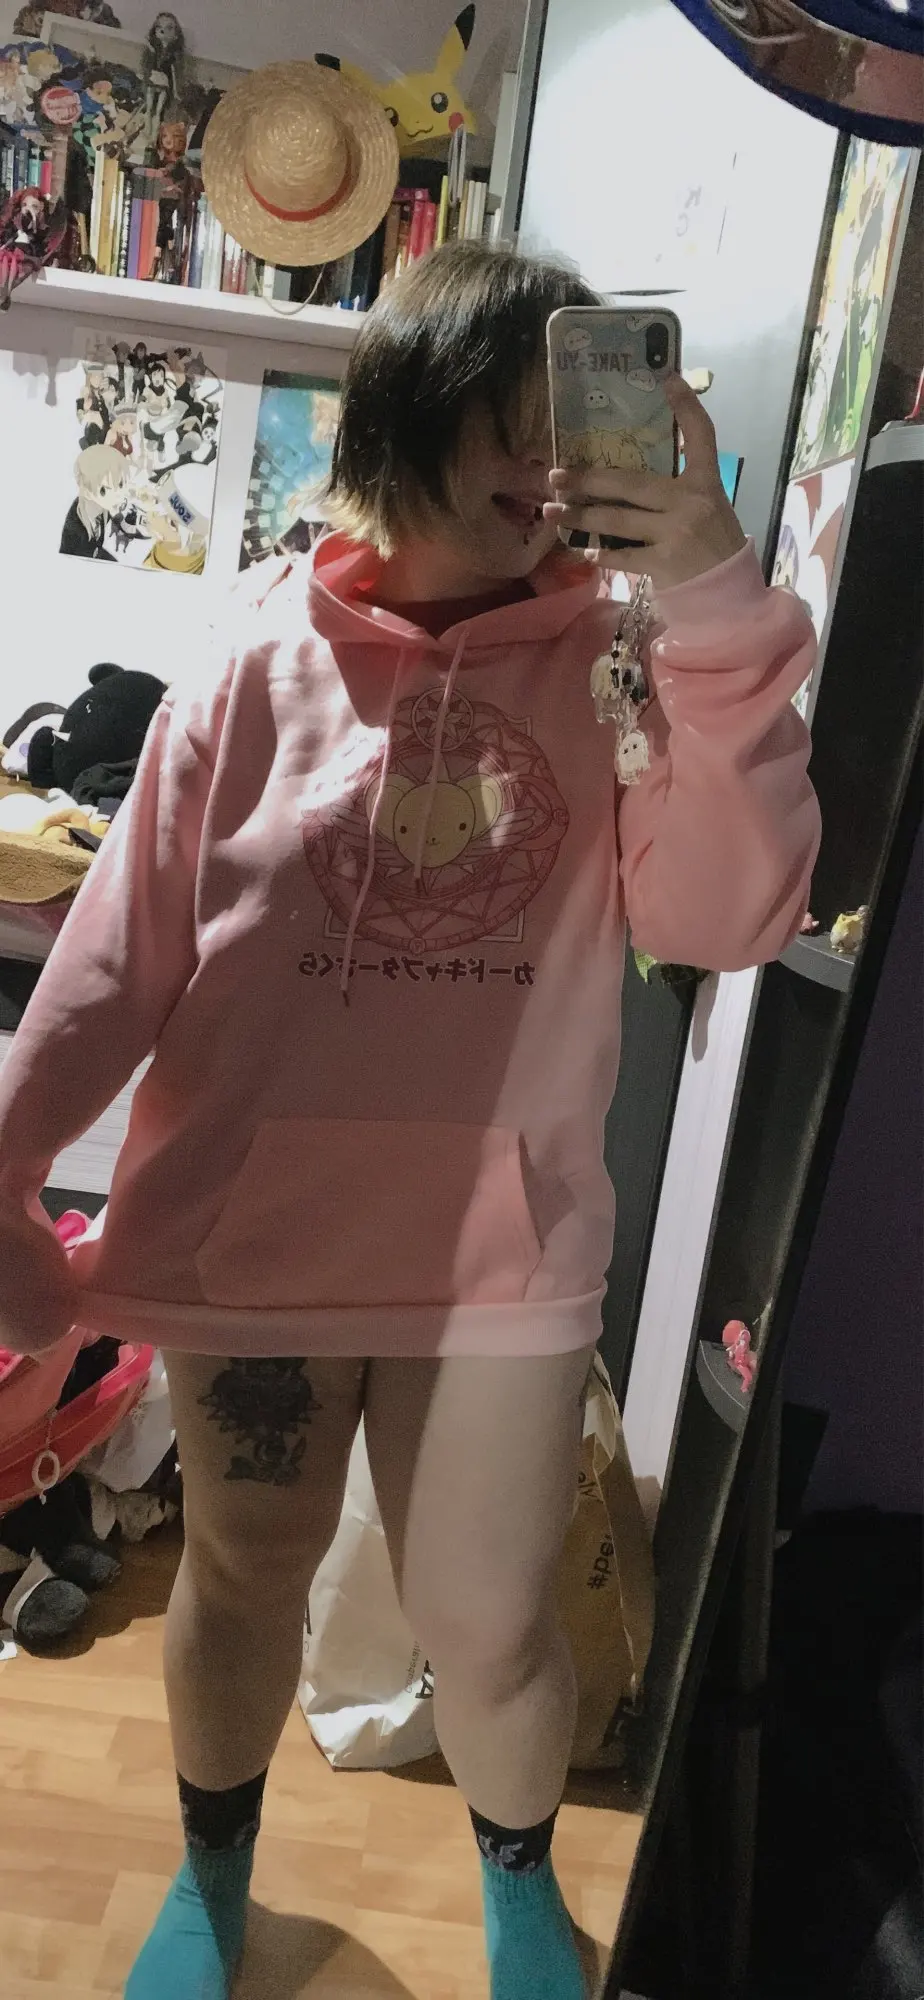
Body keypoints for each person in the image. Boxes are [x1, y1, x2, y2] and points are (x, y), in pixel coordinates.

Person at [0, 242, 820, 2000]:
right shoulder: (250, 658)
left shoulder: (627, 664)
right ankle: (215, 1879)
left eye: (573, 425)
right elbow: (121, 952)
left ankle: (521, 1900)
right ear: (410, 409)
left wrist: (715, 596)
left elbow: (728, 918)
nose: (547, 465)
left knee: (492, 1621)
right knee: (242, 1574)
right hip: (257, 1237)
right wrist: (7, 1156)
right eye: (509, 421)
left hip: (499, 1255)